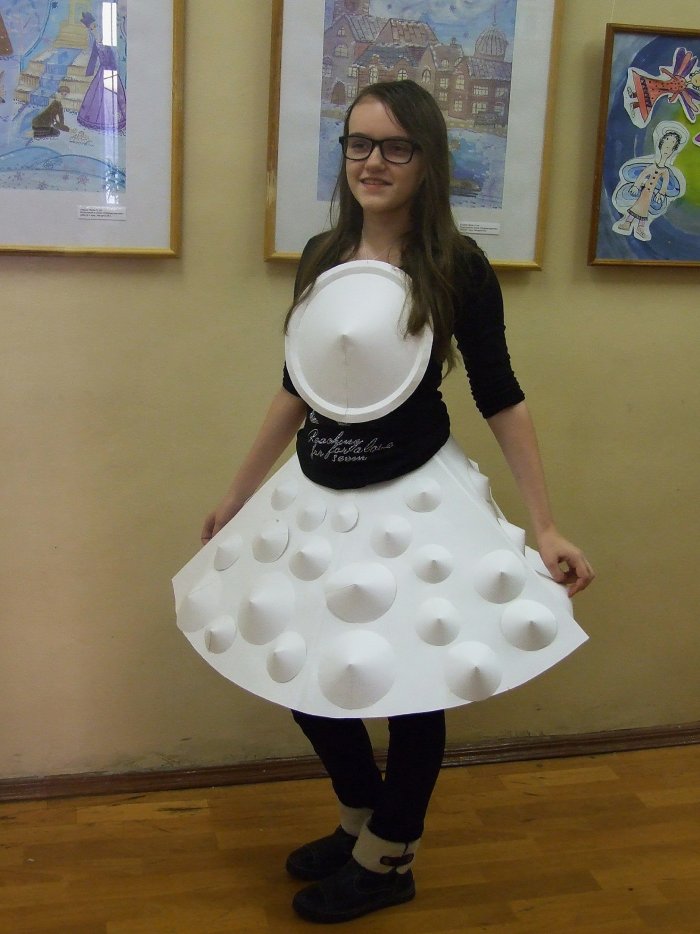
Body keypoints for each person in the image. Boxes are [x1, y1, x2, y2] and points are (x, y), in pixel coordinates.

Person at [199, 80, 594, 924]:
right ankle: (360, 820)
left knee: (414, 685)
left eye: (394, 146)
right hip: (317, 493)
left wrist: (545, 523)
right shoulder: (322, 255)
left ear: (426, 159)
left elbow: (499, 393)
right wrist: (238, 492)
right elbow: (297, 385)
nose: (371, 162)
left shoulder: (457, 265)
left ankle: (389, 857)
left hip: (414, 499)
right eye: (357, 143)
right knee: (303, 669)